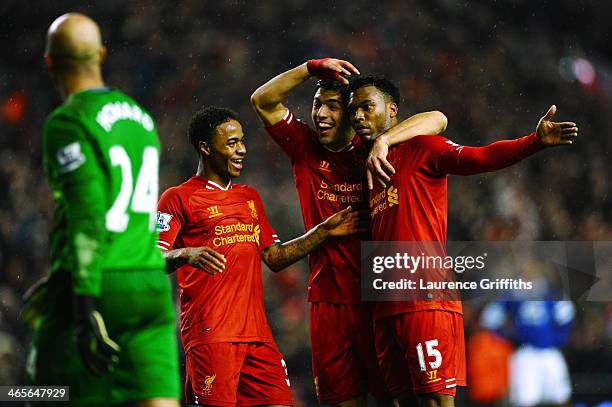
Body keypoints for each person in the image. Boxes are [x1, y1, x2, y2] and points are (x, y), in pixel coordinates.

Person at [347, 75, 578, 407]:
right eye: (353, 109)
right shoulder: (364, 162)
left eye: (367, 107)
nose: (357, 116)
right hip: (384, 304)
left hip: (426, 299)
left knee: (436, 402)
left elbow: (473, 151)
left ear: (392, 109)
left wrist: (533, 142)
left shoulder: (422, 148)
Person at [250, 58, 448, 406]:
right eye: (316, 105)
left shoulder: (374, 152)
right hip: (328, 303)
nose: (321, 114)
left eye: (333, 107)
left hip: (379, 301)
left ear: (354, 114)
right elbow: (262, 100)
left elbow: (437, 119)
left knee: (396, 399)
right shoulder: (304, 147)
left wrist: (385, 141)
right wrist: (310, 68)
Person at [156, 106, 361, 407]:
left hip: (257, 335)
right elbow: (153, 259)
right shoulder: (178, 198)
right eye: (231, 143)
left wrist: (322, 232)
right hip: (212, 334)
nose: (242, 150)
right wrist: (187, 253)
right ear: (205, 148)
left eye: (242, 141)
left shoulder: (248, 197)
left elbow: (274, 257)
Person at [27, 13, 179, 406]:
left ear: (49, 62)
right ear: (101, 55)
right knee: (157, 399)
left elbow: (88, 216)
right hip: (150, 283)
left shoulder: (67, 121)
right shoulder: (141, 118)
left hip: (99, 283)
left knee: (37, 394)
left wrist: (83, 299)